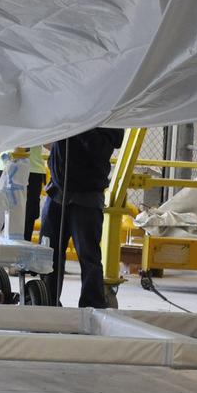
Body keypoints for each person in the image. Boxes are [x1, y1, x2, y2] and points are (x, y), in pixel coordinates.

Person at [42, 127, 124, 308]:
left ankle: (92, 305)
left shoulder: (106, 118)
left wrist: (79, 126)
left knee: (88, 256)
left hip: (86, 197)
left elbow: (100, 148)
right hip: (57, 193)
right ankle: (47, 301)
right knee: (49, 254)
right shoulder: (72, 111)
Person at [0, 145, 48, 241]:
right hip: (7, 165)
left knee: (25, 223)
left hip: (32, 170)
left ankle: (21, 254)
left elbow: (49, 142)